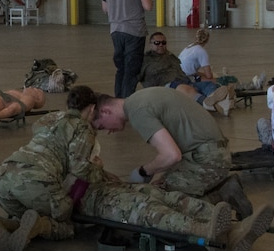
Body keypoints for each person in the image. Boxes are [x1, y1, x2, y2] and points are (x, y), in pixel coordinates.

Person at [0, 85, 272, 251]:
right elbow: (74, 179)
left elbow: (167, 156)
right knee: (148, 207)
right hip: (95, 197)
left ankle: (223, 225)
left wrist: (130, 175)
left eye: (100, 126)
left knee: (155, 195)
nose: (103, 134)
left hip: (185, 162)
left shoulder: (55, 131)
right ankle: (207, 227)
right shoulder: (72, 142)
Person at [95, 85, 249, 216]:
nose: (108, 132)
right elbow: (172, 149)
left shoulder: (137, 112)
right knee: (161, 183)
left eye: (102, 127)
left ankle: (219, 199)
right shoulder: (140, 98)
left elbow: (172, 155)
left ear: (105, 111)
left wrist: (144, 171)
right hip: (212, 152)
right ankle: (226, 189)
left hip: (208, 160)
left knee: (160, 200)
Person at [100, 0, 152, 98]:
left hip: (115, 30)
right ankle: (127, 103)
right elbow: (147, 6)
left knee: (121, 68)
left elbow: (105, 8)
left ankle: (118, 99)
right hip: (134, 30)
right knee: (132, 69)